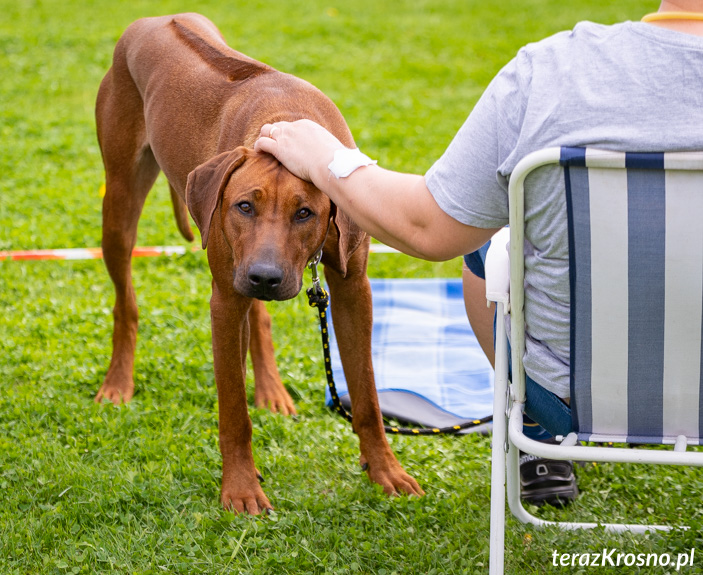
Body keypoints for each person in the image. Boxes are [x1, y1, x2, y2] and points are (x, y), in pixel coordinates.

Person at [255, 0, 703, 505]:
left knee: (487, 242)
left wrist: (326, 158)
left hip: (568, 399)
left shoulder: (553, 73)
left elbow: (427, 226)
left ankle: (540, 437)